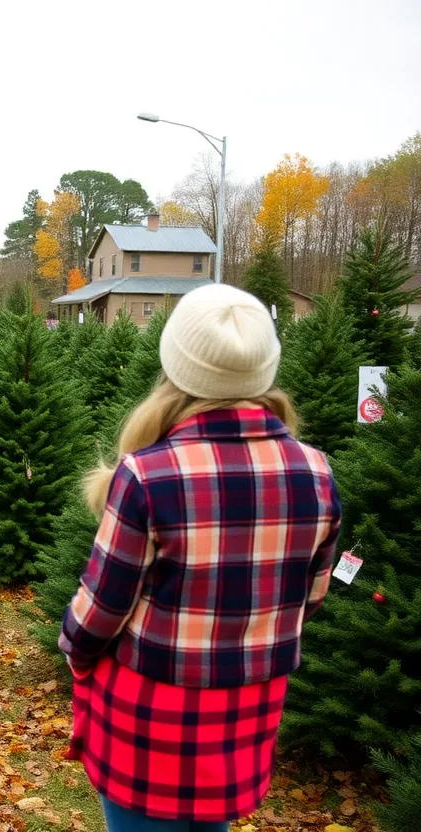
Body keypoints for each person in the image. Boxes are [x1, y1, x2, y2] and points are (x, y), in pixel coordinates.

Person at [59, 285, 341, 832]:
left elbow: (100, 612)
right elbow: (312, 597)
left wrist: (75, 650)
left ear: (177, 365)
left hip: (149, 725)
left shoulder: (147, 474)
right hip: (245, 719)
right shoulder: (317, 472)